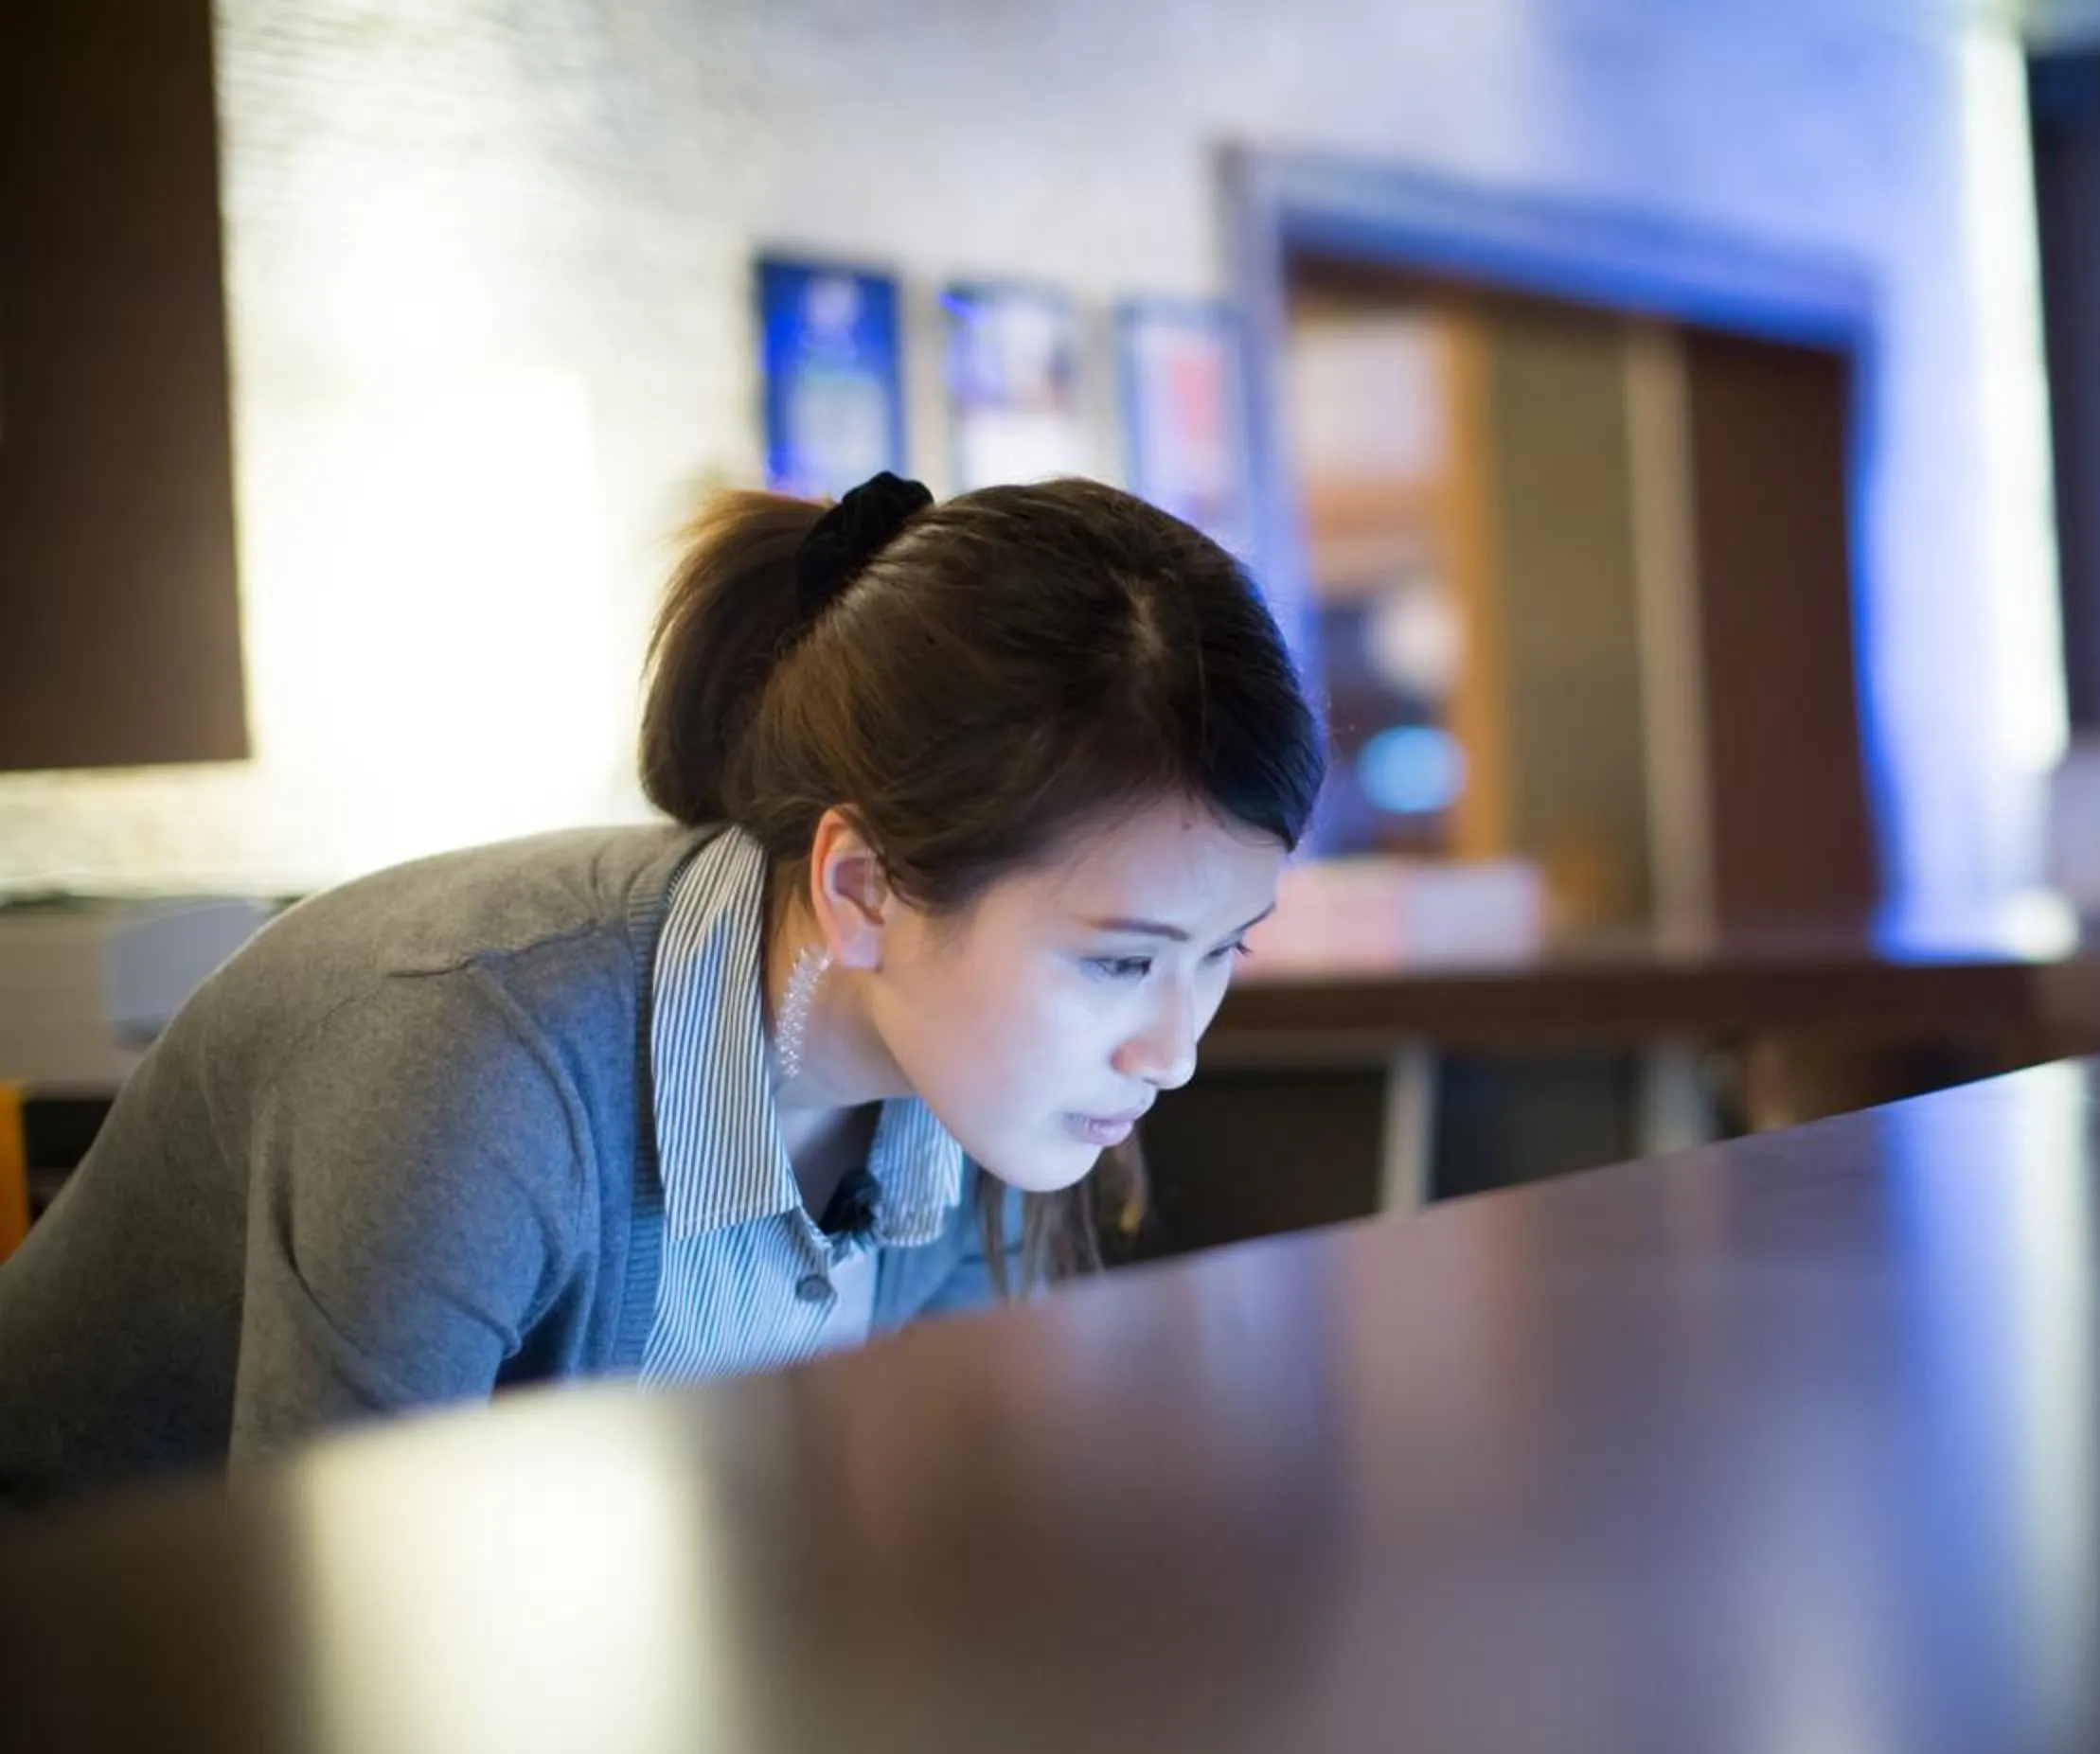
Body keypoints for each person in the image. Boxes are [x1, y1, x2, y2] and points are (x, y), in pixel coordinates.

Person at [0, 472, 1325, 1504]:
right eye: (1121, 961)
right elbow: (321, 1636)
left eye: (1224, 951)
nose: (1174, 1049)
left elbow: (915, 1542)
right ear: (862, 888)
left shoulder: (970, 1085)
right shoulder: (474, 1074)